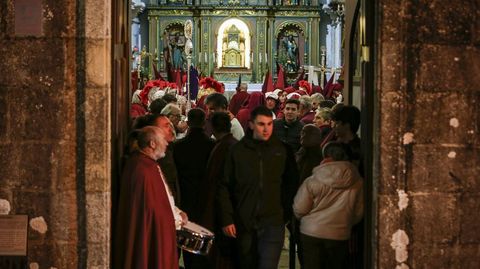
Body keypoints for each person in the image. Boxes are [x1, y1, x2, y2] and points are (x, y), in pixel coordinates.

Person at [217, 106, 298, 269]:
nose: (266, 129)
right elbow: (225, 185)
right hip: (244, 221)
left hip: (273, 221)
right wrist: (227, 218)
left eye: (269, 124)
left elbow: (291, 183)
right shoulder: (237, 151)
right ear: (251, 124)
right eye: (261, 124)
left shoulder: (282, 150)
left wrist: (285, 213)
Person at [114, 126, 187, 269]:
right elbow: (156, 211)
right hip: (151, 234)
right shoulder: (144, 170)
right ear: (152, 144)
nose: (167, 143)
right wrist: (178, 220)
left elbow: (160, 200)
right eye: (163, 140)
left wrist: (177, 211)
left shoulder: (145, 164)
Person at [293, 142, 363, 269]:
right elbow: (358, 212)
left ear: (325, 157)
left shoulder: (312, 180)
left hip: (312, 232)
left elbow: (300, 208)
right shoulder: (357, 181)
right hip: (340, 233)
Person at [173, 108, 216, 269]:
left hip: (184, 197)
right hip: (205, 198)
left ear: (188, 122)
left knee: (186, 239)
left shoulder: (178, 146)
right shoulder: (212, 145)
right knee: (202, 240)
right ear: (204, 122)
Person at [199, 112, 239, 269]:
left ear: (212, 127)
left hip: (223, 212)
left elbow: (218, 183)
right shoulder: (230, 145)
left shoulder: (224, 147)